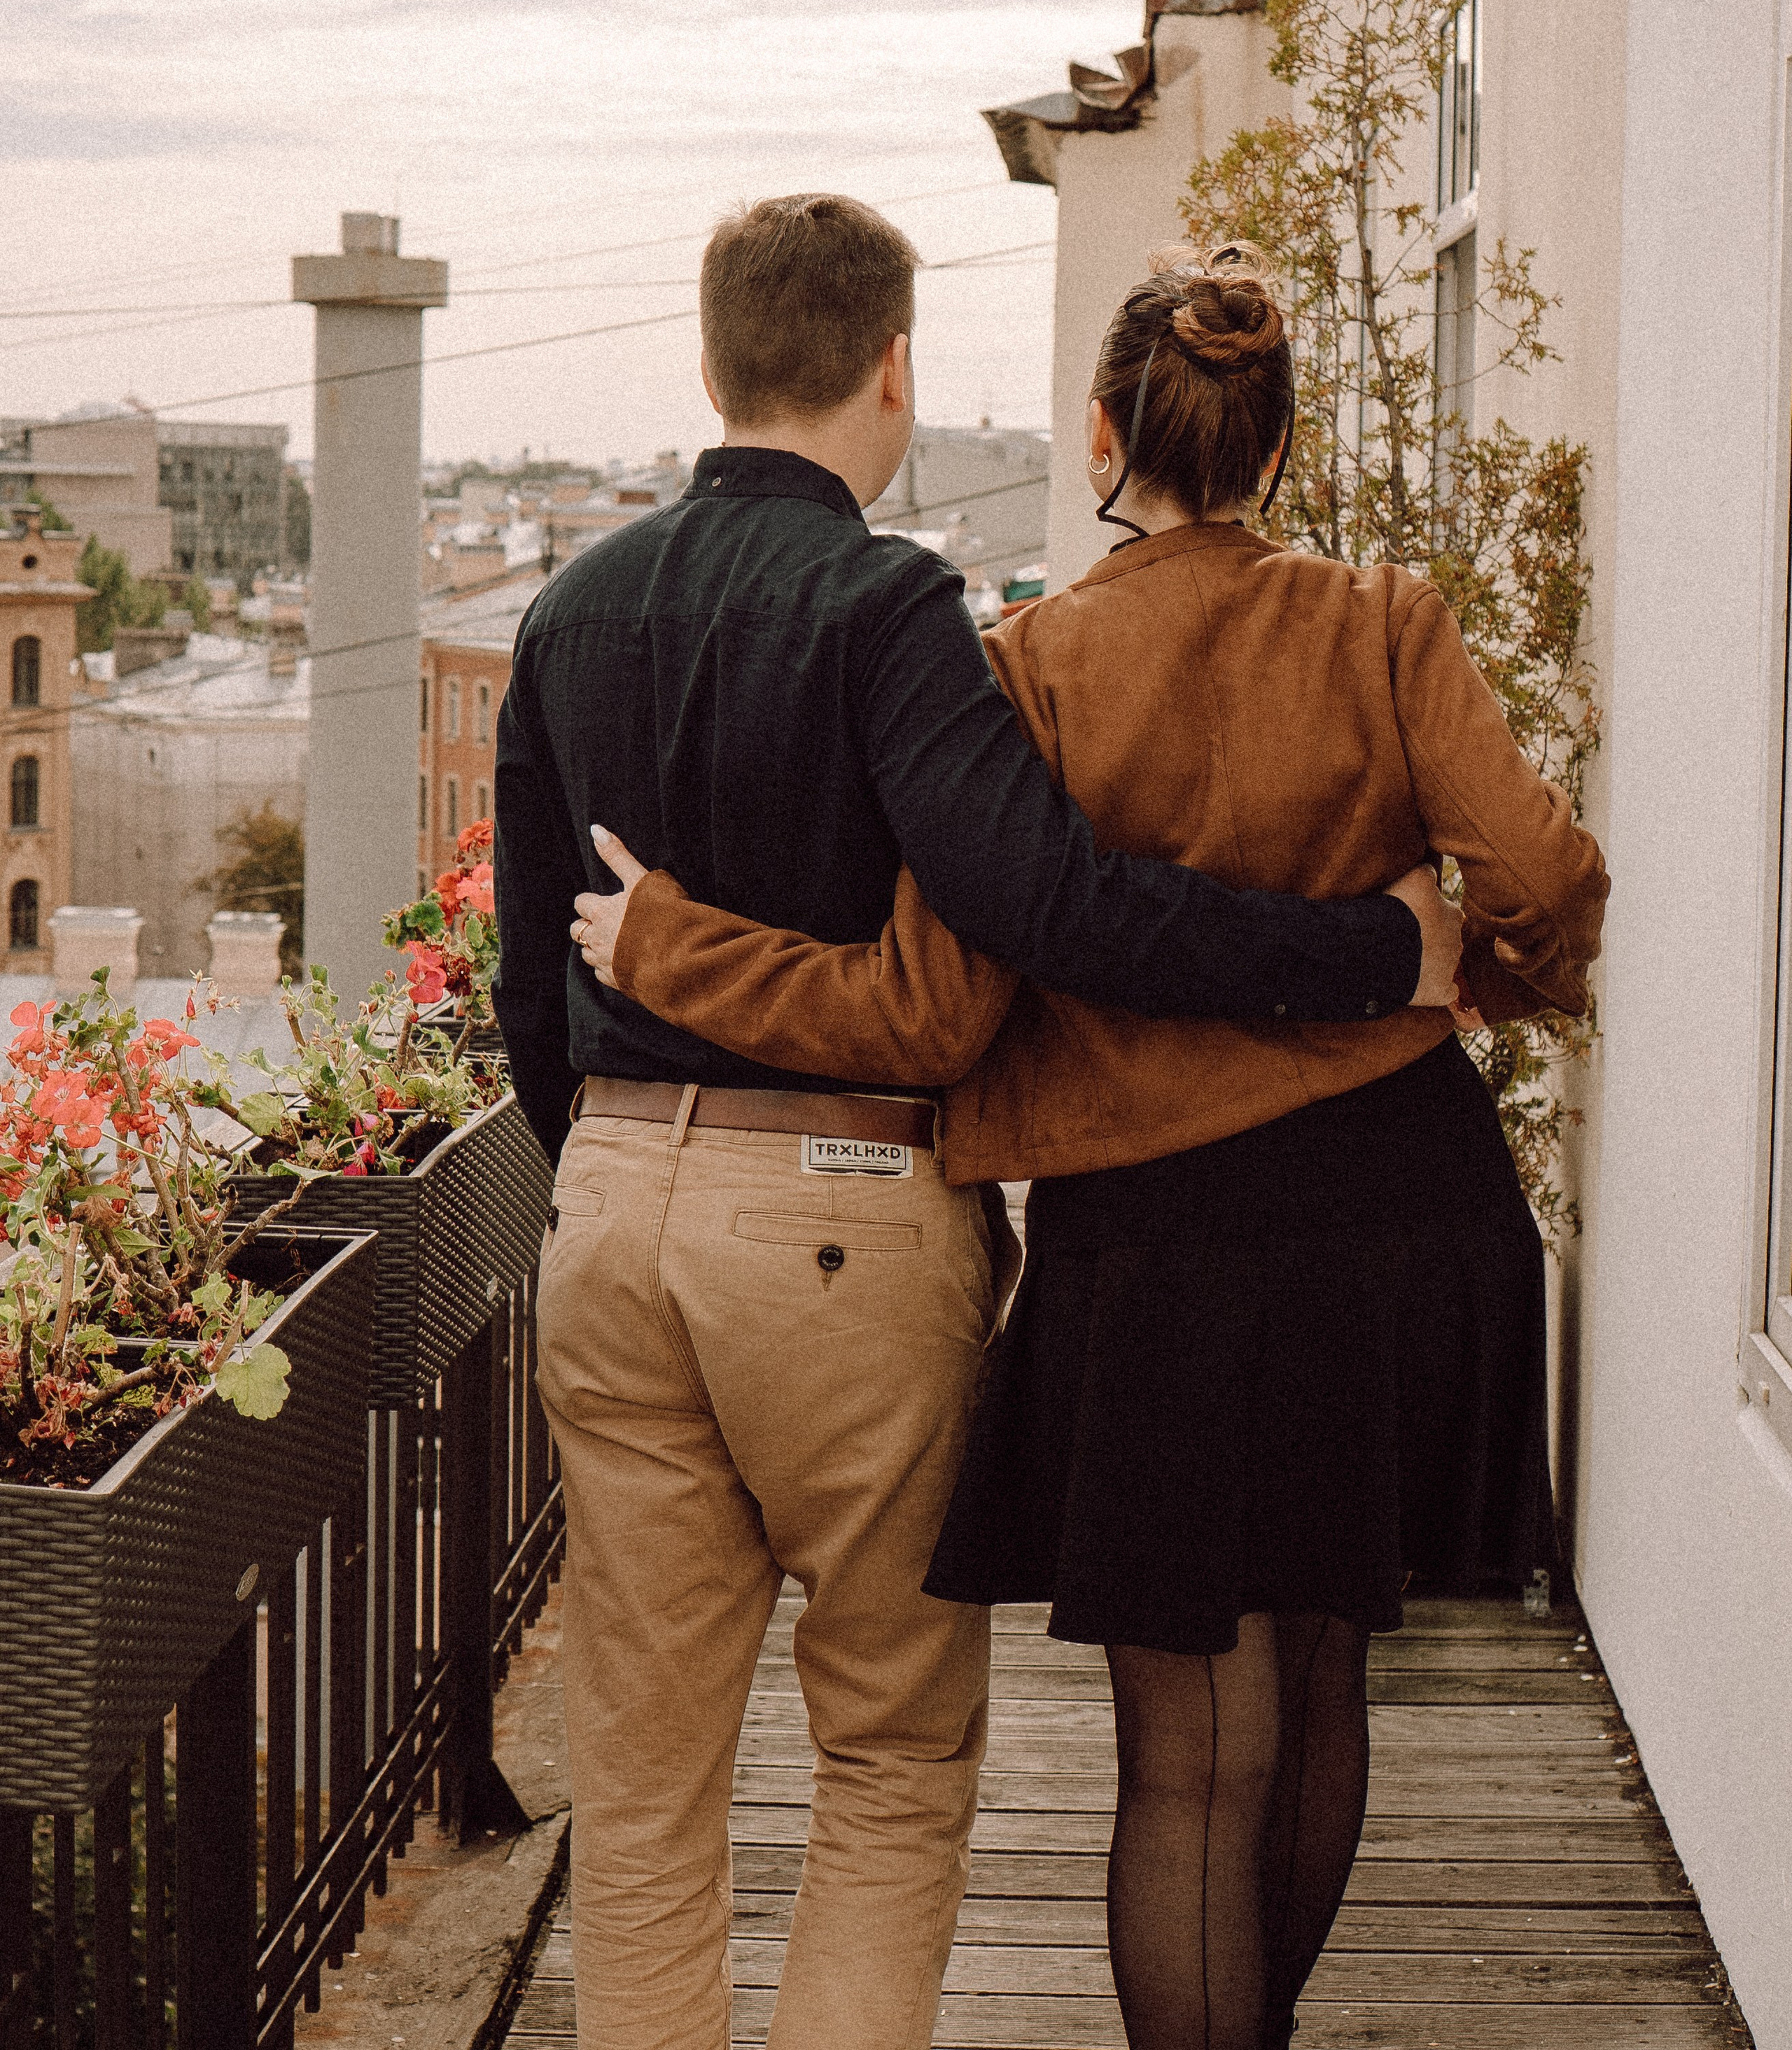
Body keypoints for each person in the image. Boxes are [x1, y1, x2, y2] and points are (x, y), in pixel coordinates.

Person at [569, 257, 1609, 2050]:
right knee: (1325, 1667)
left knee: (1190, 1747)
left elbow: (930, 1005)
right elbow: (1536, 874)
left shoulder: (1028, 666)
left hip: (1163, 1235)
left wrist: (666, 947)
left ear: (1107, 434)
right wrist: (1462, 979)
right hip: (1398, 1200)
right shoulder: (1384, 619)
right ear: (1275, 446)